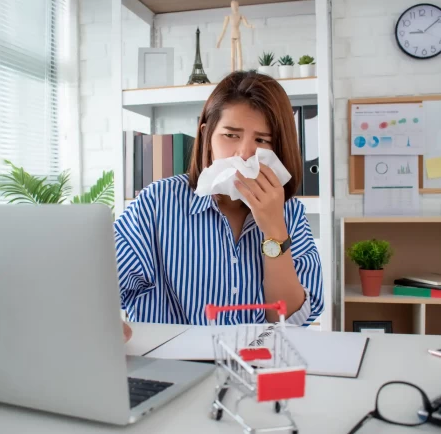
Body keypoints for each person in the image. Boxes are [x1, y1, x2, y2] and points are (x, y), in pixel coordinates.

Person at [114, 70, 324, 331]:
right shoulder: (158, 203)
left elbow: (292, 318)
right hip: (174, 367)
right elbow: (104, 285)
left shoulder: (289, 212)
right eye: (231, 135)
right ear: (207, 136)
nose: (244, 153)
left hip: (256, 363)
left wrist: (273, 229)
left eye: (262, 140)